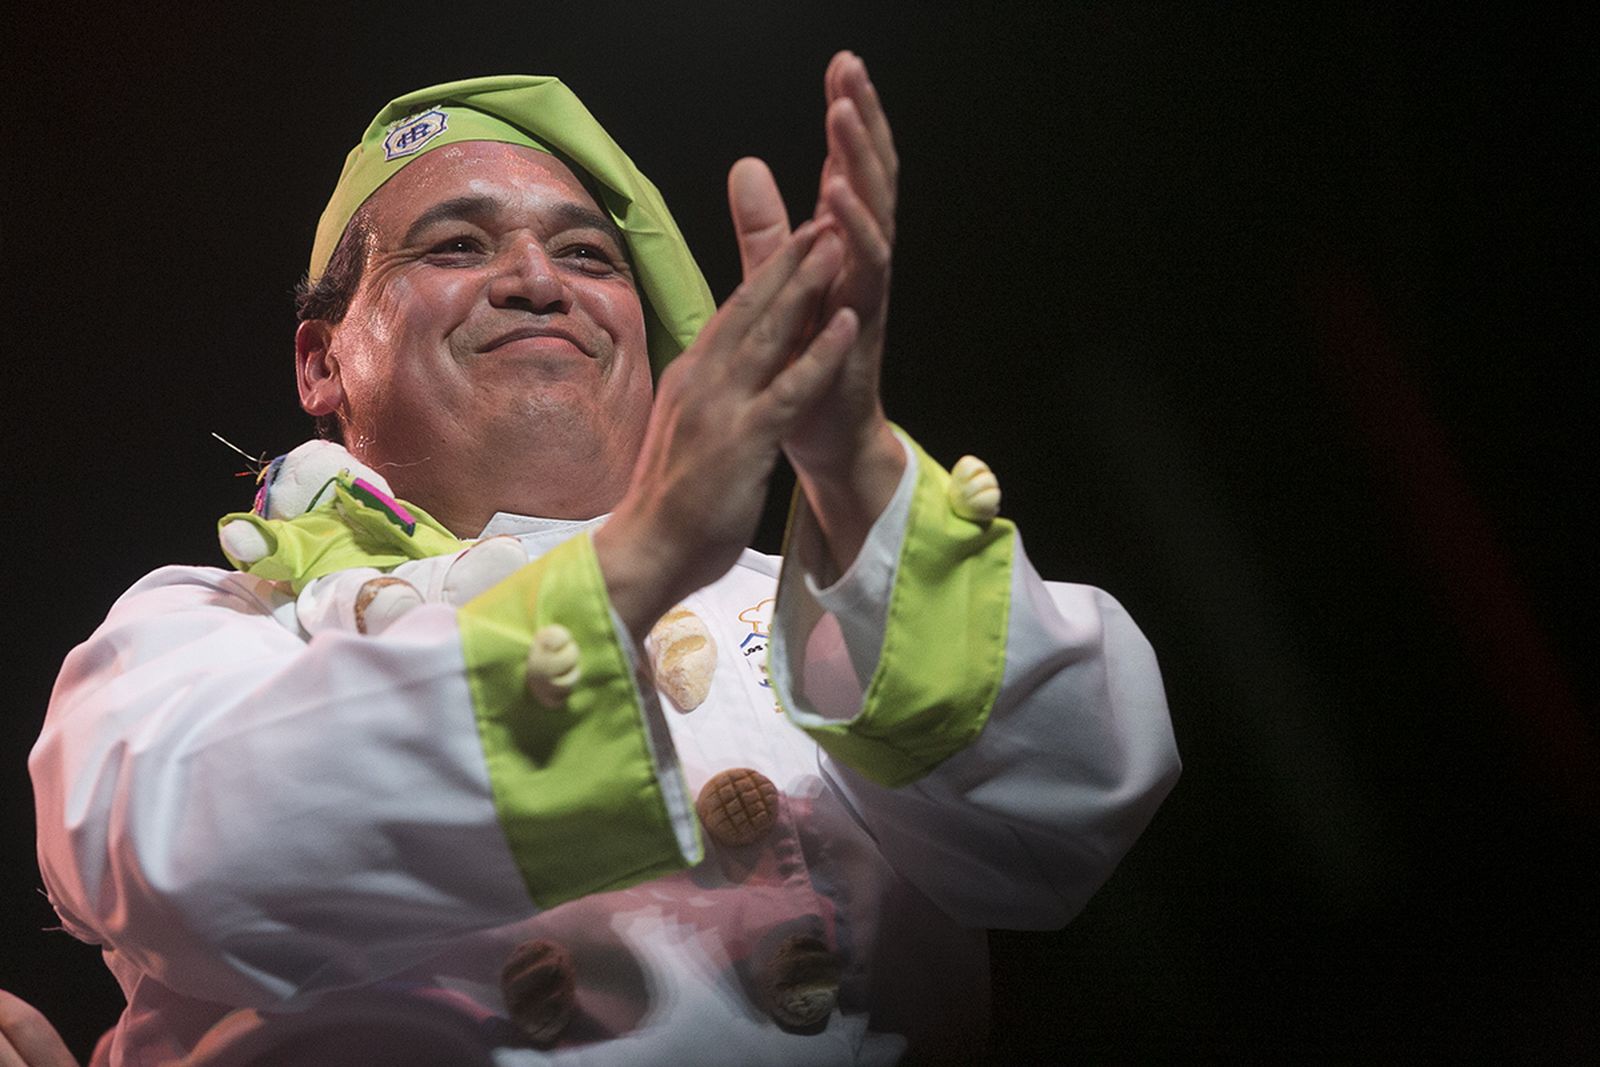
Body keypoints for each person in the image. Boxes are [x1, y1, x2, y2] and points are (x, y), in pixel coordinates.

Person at [31, 53, 1180, 1065]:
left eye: (587, 252)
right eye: (457, 243)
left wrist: (858, 464)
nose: (538, 278)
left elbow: (1065, 811)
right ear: (320, 361)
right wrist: (632, 565)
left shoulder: (823, 606)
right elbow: (189, 854)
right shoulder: (218, 626)